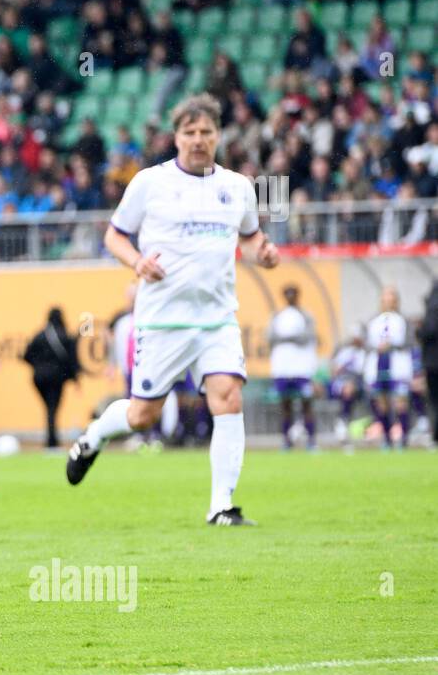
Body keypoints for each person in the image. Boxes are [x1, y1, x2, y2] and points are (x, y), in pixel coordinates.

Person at [66, 93, 281, 526]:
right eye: (190, 132)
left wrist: (264, 251)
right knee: (142, 416)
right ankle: (91, 439)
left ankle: (222, 506)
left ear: (219, 135)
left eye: (206, 132)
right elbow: (115, 237)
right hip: (163, 320)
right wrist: (137, 262)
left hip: (217, 318)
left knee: (228, 396)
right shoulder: (150, 183)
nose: (199, 140)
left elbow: (251, 237)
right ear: (176, 137)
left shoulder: (237, 187)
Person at [267, 285, 319, 450]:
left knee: (306, 404)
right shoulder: (278, 316)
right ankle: (286, 441)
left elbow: (308, 337)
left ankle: (311, 440)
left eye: (293, 294)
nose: (290, 297)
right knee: (285, 405)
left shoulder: (306, 316)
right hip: (283, 368)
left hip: (301, 368)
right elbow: (270, 337)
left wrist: (287, 338)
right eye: (287, 294)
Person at [24, 308, 81, 449]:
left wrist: (39, 365)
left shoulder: (39, 335)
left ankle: (51, 440)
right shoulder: (65, 336)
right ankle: (51, 442)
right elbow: (72, 361)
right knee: (52, 408)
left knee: (50, 409)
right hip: (56, 378)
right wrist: (75, 379)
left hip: (39, 378)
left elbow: (26, 355)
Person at [364, 286, 413, 449]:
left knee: (400, 402)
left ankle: (404, 439)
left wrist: (391, 344)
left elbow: (409, 342)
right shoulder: (374, 321)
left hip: (398, 364)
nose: (387, 300)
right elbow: (367, 344)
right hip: (378, 365)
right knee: (382, 402)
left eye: (391, 296)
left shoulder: (403, 320)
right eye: (385, 296)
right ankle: (386, 438)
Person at [419, 283, 438, 446]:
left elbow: (429, 331)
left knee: (434, 398)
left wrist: (420, 331)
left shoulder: (432, 309)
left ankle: (435, 435)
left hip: (433, 363)